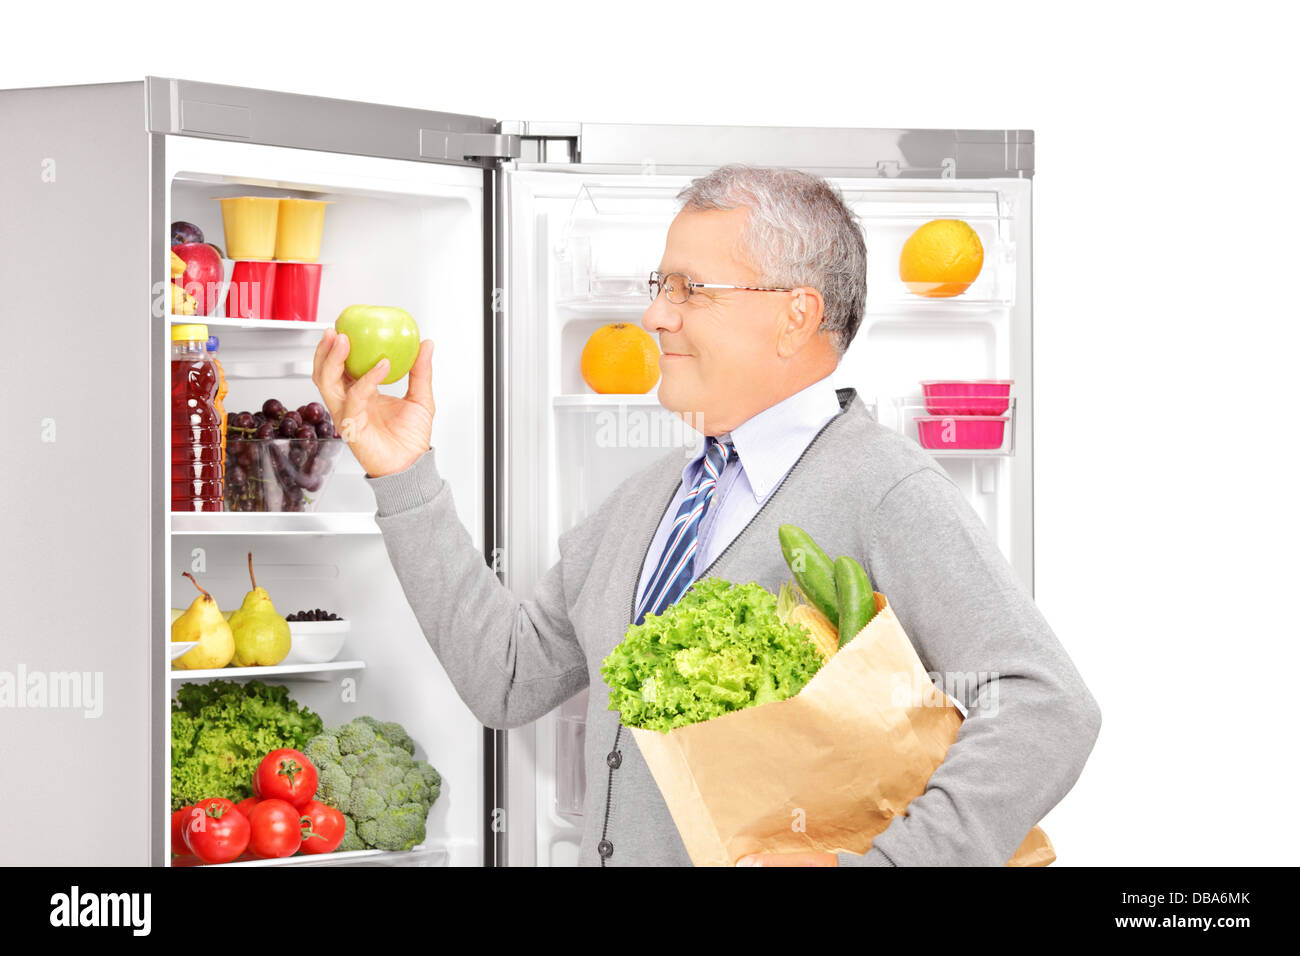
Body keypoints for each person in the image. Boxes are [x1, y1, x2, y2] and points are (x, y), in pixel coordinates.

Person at [311, 164, 1101, 867]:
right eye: (660, 286)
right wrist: (402, 470)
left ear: (796, 316)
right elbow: (508, 680)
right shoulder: (650, 497)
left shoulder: (884, 488)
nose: (656, 316)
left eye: (690, 288)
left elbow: (1047, 705)